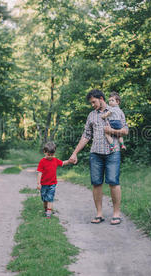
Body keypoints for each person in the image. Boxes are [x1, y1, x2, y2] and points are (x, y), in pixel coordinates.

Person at [69, 89, 128, 225]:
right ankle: (99, 214)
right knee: (96, 183)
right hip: (95, 153)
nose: (92, 105)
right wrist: (75, 152)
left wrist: (112, 131)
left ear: (101, 98)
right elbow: (86, 136)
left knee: (113, 182)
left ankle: (116, 214)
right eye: (91, 103)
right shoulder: (91, 115)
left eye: (93, 102)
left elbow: (125, 130)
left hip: (113, 152)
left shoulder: (116, 110)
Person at [37, 141, 71, 218]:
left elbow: (62, 163)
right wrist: (38, 183)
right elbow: (39, 173)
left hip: (52, 183)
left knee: (50, 197)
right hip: (43, 184)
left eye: (52, 154)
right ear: (44, 152)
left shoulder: (55, 160)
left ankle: (49, 212)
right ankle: (46, 209)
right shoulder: (42, 161)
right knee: (44, 198)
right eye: (48, 154)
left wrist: (69, 161)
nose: (50, 156)